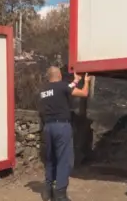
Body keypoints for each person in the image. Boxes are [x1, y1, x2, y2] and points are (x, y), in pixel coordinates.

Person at [39, 66, 91, 201]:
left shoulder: (44, 90)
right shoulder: (62, 87)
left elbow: (63, 90)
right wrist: (86, 81)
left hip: (48, 127)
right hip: (61, 127)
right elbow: (84, 93)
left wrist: (75, 81)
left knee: (50, 159)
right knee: (64, 160)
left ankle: (47, 191)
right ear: (60, 76)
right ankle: (60, 194)